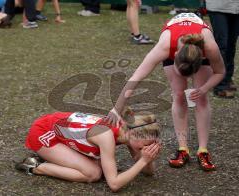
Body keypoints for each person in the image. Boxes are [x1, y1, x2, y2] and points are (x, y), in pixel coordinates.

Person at [105, 13, 225, 171]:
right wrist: (116, 108)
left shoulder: (209, 47)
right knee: (179, 94)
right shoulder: (164, 47)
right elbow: (136, 78)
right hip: (174, 42)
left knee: (201, 99)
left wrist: (204, 88)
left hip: (198, 48)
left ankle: (203, 150)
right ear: (174, 57)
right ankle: (183, 149)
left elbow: (220, 72)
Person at [15, 108, 161, 192]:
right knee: (94, 173)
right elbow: (114, 184)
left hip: (63, 133)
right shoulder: (106, 136)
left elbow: (148, 173)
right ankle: (36, 167)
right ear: (132, 134)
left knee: (101, 167)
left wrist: (147, 159)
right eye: (146, 144)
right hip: (44, 133)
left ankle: (57, 158)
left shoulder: (127, 132)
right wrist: (143, 161)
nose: (147, 148)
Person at [206, 0, 239, 98]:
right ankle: (219, 84)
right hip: (218, 6)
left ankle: (227, 78)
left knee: (231, 44)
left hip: (236, 7)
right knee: (222, 45)